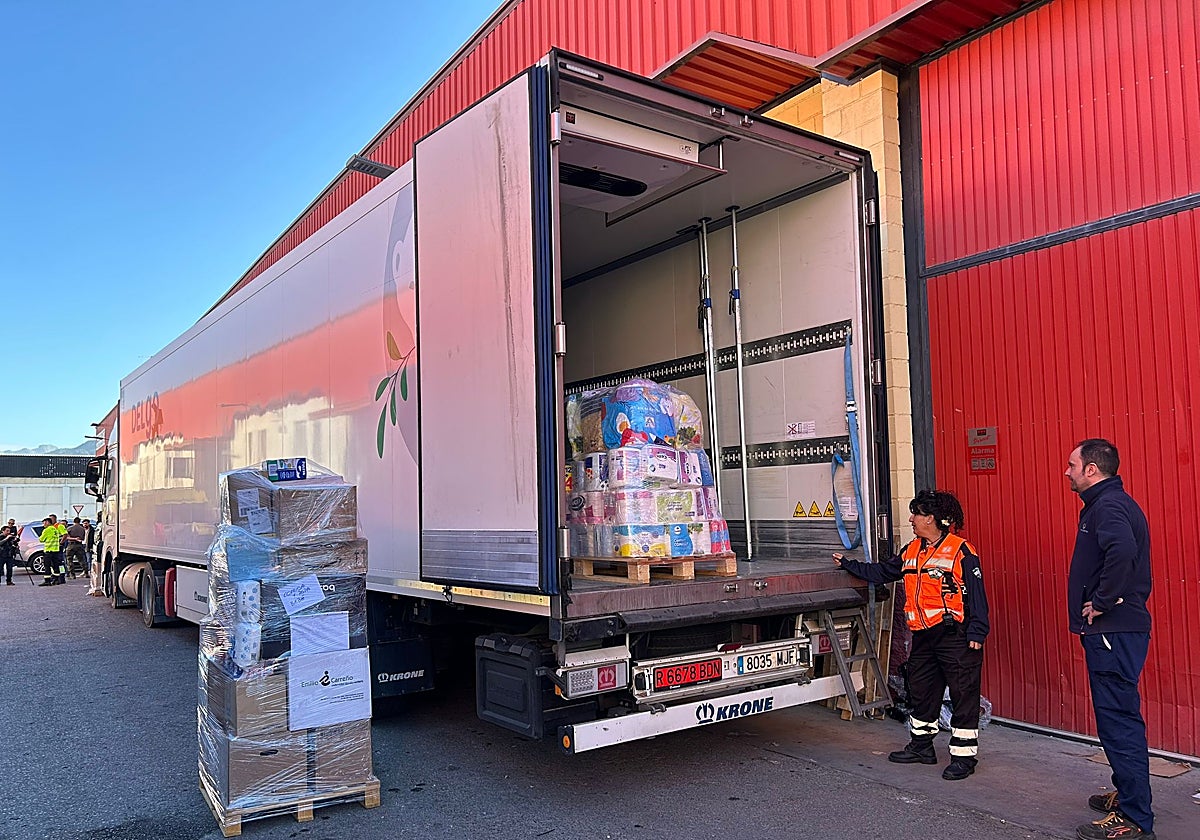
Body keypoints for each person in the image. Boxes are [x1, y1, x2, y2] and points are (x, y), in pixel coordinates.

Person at [833, 489, 989, 781]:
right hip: (924, 637)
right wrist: (847, 564)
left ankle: (964, 757)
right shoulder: (911, 550)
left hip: (955, 636)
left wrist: (978, 632)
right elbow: (882, 572)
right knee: (922, 692)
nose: (911, 519)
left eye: (916, 513)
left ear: (930, 518)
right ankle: (921, 747)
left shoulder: (961, 550)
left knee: (963, 695)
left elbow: (977, 596)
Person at [1065, 439, 1155, 840]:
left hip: (1113, 633)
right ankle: (1127, 795)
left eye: (1072, 465)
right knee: (1115, 719)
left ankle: (1135, 820)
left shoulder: (1109, 507)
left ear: (1091, 470)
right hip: (1114, 632)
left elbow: (1121, 549)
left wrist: (1101, 601)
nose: (1066, 472)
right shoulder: (1108, 504)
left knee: (1118, 722)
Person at [38, 517, 65, 586]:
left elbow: (41, 539)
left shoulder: (46, 530)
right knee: (55, 565)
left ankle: (47, 581)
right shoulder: (55, 529)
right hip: (56, 550)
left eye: (44, 522)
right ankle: (56, 579)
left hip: (48, 550)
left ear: (47, 522)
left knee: (47, 566)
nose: (43, 524)